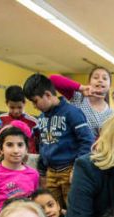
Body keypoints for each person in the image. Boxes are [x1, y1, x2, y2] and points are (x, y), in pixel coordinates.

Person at [23, 73, 95, 210]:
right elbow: (43, 144)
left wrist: (77, 168)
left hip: (69, 172)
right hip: (50, 173)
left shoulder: (72, 112)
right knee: (52, 211)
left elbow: (87, 141)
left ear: (48, 95)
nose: (34, 106)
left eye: (35, 101)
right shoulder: (42, 117)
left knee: (73, 210)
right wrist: (42, 172)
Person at [50, 67, 114, 138]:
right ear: (89, 82)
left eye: (104, 78)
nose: (100, 80)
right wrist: (81, 87)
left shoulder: (111, 114)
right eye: (96, 77)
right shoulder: (78, 97)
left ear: (110, 85)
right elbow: (53, 79)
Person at [0, 85, 39, 157]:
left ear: (24, 103)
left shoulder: (33, 122)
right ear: (6, 103)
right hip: (6, 159)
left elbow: (39, 142)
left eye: (19, 107)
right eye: (12, 107)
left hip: (28, 160)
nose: (16, 111)